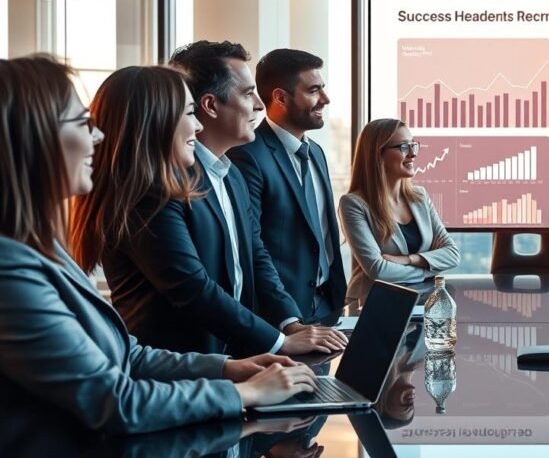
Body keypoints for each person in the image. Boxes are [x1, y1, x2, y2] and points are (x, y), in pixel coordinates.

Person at [0, 55, 318, 434]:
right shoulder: (12, 273)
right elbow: (115, 400)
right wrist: (244, 393)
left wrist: (227, 368)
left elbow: (126, 355)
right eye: (82, 123)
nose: (97, 135)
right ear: (32, 139)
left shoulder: (44, 253)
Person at [82, 44, 343, 357]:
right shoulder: (157, 188)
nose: (260, 105)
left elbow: (256, 256)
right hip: (174, 373)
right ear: (210, 105)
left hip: (228, 364)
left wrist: (290, 324)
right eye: (248, 94)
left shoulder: (231, 174)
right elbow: (193, 289)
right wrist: (279, 343)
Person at [228, 49, 348, 324]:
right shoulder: (248, 155)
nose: (325, 99)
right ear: (280, 97)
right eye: (314, 91)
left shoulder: (316, 152)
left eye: (323, 89)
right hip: (281, 317)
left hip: (327, 307)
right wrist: (288, 320)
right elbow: (252, 244)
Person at [339, 118, 459, 305]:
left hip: (422, 301)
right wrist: (429, 268)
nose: (412, 154)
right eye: (403, 147)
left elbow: (452, 254)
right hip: (373, 304)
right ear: (378, 154)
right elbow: (378, 270)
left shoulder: (420, 197)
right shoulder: (354, 204)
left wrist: (408, 259)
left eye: (413, 146)